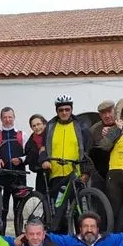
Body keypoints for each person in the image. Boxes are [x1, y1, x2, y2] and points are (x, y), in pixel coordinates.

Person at [40, 94, 96, 230]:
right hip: (56, 173)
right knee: (59, 210)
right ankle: (59, 241)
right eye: (61, 110)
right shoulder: (50, 127)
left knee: (77, 210)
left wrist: (86, 172)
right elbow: (42, 147)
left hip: (74, 174)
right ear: (56, 111)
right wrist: (44, 160)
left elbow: (87, 151)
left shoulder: (80, 126)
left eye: (67, 109)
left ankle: (78, 240)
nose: (64, 112)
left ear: (71, 109)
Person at [0, 107, 28, 231]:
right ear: (1, 118)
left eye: (10, 117)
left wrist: (21, 160)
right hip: (2, 177)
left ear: (14, 117)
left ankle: (20, 236)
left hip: (19, 177)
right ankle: (1, 236)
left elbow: (30, 154)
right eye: (5, 117)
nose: (7, 119)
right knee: (2, 209)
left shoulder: (22, 135)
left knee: (19, 209)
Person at [87, 99, 117, 190]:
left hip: (119, 171)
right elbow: (88, 152)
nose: (107, 116)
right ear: (100, 115)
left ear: (115, 111)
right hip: (100, 174)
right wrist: (92, 172)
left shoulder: (122, 125)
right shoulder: (94, 130)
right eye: (103, 113)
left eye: (109, 112)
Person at [24, 114, 49, 195]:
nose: (37, 128)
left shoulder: (51, 135)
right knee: (42, 198)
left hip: (54, 171)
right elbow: (29, 158)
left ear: (44, 124)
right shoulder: (30, 142)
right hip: (41, 172)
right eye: (34, 126)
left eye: (39, 124)